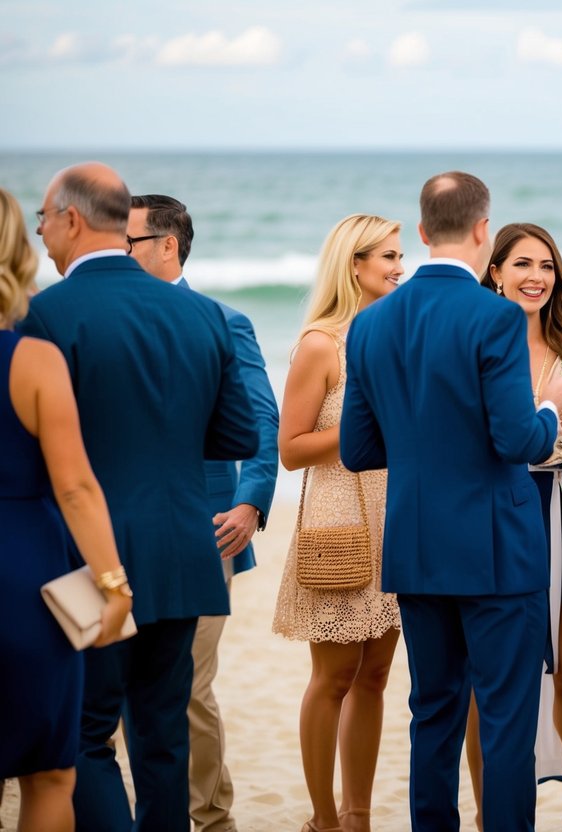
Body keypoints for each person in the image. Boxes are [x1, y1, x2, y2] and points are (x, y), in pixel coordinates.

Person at [19, 162, 259, 830]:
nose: (40, 232)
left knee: (86, 736)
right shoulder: (204, 313)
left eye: (44, 218)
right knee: (163, 737)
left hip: (83, 559)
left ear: (71, 219)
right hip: (183, 551)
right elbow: (236, 432)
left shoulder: (41, 315)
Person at [340, 172, 562, 832]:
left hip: (414, 545)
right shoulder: (495, 317)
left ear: (420, 233)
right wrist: (551, 410)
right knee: (504, 719)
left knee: (433, 712)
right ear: (481, 232)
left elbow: (358, 450)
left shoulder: (370, 323)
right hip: (495, 549)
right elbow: (516, 440)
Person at [126, 192, 279, 832]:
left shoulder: (223, 320)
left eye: (129, 241)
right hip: (115, 530)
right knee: (110, 691)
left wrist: (250, 501)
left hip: (207, 529)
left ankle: (212, 819)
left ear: (167, 245)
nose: (118, 252)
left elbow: (262, 421)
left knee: (187, 685)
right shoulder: (109, 319)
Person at [464, 223, 562, 832]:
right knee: (487, 682)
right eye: (524, 264)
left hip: (552, 506)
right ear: (496, 270)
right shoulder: (475, 339)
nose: (537, 277)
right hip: (489, 507)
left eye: (547, 266)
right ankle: (485, 814)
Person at [0, 187, 132, 832]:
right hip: (23, 576)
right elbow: (77, 486)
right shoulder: (32, 360)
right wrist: (113, 585)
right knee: (49, 771)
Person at [272, 214, 404, 832]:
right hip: (338, 517)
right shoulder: (321, 343)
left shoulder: (397, 333)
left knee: (375, 676)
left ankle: (358, 816)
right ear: (354, 263)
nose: (399, 266)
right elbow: (291, 448)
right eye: (387, 255)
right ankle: (323, 819)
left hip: (397, 514)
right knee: (333, 677)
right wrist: (366, 426)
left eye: (401, 254)